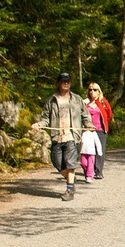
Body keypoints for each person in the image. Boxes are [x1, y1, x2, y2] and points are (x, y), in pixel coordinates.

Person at [32, 72, 93, 201]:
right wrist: (39, 124)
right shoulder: (51, 100)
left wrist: (89, 124)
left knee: (70, 163)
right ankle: (71, 179)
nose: (66, 83)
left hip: (72, 136)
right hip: (57, 136)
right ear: (58, 83)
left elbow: (85, 115)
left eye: (68, 81)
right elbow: (45, 119)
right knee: (57, 163)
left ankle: (69, 189)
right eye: (63, 81)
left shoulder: (77, 99)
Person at [84, 82, 113, 179]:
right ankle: (89, 169)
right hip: (88, 131)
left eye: (95, 90)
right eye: (90, 89)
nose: (92, 92)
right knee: (88, 151)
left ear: (99, 91)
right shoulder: (85, 103)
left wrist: (104, 123)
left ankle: (98, 171)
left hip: (100, 130)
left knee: (99, 150)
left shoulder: (103, 102)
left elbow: (109, 114)